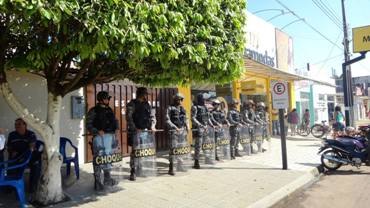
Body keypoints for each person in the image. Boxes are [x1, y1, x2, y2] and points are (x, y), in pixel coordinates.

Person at [87, 91, 119, 190]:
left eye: (108, 98)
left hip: (110, 137)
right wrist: (96, 131)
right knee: (99, 158)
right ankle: (97, 182)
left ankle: (107, 179)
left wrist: (117, 129)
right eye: (106, 98)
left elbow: (115, 121)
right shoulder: (93, 110)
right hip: (99, 138)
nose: (108, 100)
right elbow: (88, 124)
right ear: (101, 99)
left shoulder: (109, 109)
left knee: (108, 158)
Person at [126, 87, 156, 181]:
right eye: (145, 94)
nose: (146, 96)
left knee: (143, 151)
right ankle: (133, 171)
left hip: (146, 132)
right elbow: (128, 118)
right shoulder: (132, 104)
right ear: (140, 94)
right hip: (136, 132)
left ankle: (140, 169)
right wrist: (135, 129)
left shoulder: (147, 104)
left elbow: (152, 116)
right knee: (135, 152)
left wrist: (153, 126)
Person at [7, 118, 41, 195]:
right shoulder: (12, 135)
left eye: (19, 124)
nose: (16, 126)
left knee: (36, 164)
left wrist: (24, 156)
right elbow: (9, 146)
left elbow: (31, 148)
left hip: (28, 156)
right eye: (15, 124)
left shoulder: (31, 134)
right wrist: (11, 151)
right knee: (11, 165)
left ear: (25, 125)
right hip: (16, 156)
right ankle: (10, 187)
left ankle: (32, 187)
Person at [165, 93, 189, 176]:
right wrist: (175, 127)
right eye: (178, 99)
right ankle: (171, 167)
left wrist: (187, 126)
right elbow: (167, 119)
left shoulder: (182, 108)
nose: (179, 101)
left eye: (180, 99)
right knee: (173, 149)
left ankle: (180, 165)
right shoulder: (170, 108)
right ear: (174, 99)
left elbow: (186, 118)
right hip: (174, 132)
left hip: (182, 131)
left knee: (181, 148)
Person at [191, 93, 213, 168]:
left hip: (205, 128)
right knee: (198, 146)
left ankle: (207, 158)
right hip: (199, 129)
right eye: (203, 99)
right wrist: (200, 125)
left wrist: (211, 124)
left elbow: (208, 117)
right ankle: (196, 162)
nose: (204, 100)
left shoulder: (205, 107)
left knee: (206, 145)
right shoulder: (195, 107)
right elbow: (193, 118)